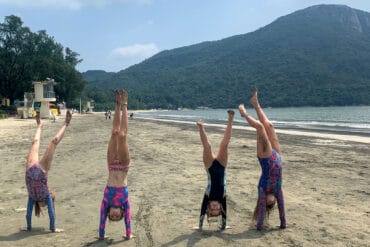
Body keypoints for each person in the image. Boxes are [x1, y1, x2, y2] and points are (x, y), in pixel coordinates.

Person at [238, 88, 286, 231]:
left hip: (265, 159)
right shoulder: (278, 191)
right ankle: (255, 103)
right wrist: (283, 224)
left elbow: (260, 217)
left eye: (268, 204)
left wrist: (260, 224)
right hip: (277, 155)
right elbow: (282, 212)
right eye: (273, 203)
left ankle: (244, 114)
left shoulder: (263, 191)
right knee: (269, 125)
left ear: (264, 203)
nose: (272, 201)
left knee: (260, 127)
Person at [22, 110, 72, 233]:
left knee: (35, 142)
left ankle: (39, 125)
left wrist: (28, 227)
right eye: (48, 203)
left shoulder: (32, 198)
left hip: (29, 170)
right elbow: (51, 213)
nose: (45, 205)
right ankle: (66, 123)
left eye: (44, 205)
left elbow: (28, 214)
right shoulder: (47, 195)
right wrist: (53, 228)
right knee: (53, 142)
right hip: (41, 170)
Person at [98, 89, 133, 240]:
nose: (113, 215)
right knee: (123, 136)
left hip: (111, 164)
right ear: (121, 214)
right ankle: (125, 104)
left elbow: (101, 221)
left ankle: (117, 104)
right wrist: (128, 234)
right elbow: (129, 221)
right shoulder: (125, 203)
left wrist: (101, 235)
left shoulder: (106, 202)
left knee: (114, 132)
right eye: (116, 217)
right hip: (124, 166)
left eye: (111, 217)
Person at [194, 109, 234, 231]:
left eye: (213, 209)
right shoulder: (222, 196)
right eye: (217, 209)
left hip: (210, 167)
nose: (216, 207)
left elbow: (201, 211)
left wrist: (200, 226)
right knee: (224, 144)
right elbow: (225, 212)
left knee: (207, 146)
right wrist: (224, 226)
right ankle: (230, 118)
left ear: (209, 207)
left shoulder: (208, 196)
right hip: (222, 165)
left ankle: (200, 127)